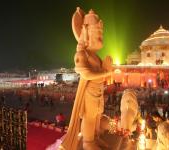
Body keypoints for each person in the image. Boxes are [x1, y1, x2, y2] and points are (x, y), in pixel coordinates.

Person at [60, 8, 112, 150]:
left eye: (101, 33)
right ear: (86, 34)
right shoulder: (82, 54)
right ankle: (88, 143)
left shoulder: (96, 56)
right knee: (89, 118)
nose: (101, 36)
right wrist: (106, 73)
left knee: (96, 116)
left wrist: (107, 69)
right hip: (89, 92)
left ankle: (95, 138)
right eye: (98, 33)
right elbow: (87, 74)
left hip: (98, 91)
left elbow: (102, 72)